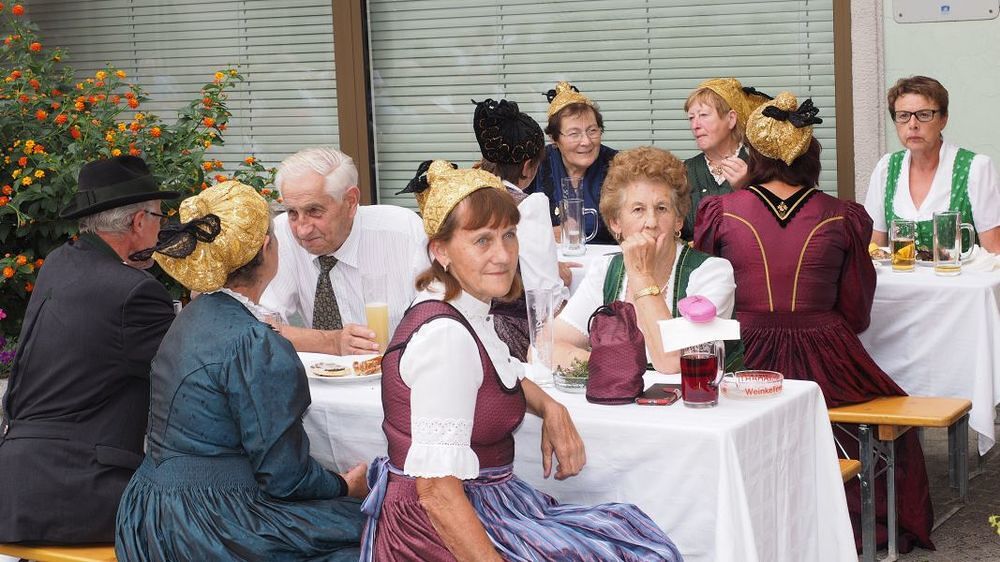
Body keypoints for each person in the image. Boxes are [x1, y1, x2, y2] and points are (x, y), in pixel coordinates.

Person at [361, 160, 683, 561]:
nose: (503, 255)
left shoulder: (463, 310)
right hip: (436, 531)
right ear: (440, 251)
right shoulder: (445, 336)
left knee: (627, 531)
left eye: (509, 235)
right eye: (482, 240)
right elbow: (437, 493)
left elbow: (505, 371)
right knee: (637, 551)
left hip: (485, 505)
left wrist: (551, 407)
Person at [695, 92, 934, 553]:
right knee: (884, 421)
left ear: (755, 156)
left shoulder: (721, 212)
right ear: (810, 155)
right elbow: (857, 311)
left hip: (744, 354)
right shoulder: (842, 215)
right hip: (826, 351)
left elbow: (706, 296)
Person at [115, 181, 368, 560]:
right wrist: (345, 486)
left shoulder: (192, 317)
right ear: (267, 247)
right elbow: (286, 478)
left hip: (150, 511)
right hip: (210, 523)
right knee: (376, 530)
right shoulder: (255, 342)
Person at [0, 156, 177, 544]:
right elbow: (191, 374)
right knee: (214, 517)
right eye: (159, 216)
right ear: (138, 222)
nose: (162, 227)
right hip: (80, 495)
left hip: (14, 487)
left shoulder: (60, 262)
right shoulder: (135, 292)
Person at [552, 146, 740, 374]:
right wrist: (612, 368)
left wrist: (642, 275)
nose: (651, 222)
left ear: (678, 220)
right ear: (616, 223)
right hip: (622, 397)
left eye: (662, 208)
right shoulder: (606, 270)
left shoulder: (711, 273)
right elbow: (547, 347)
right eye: (638, 209)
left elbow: (673, 363)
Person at [261, 147, 430, 355]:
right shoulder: (283, 235)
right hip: (320, 374)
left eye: (314, 211)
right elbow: (261, 327)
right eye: (292, 212)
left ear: (350, 201)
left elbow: (441, 320)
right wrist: (331, 342)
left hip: (401, 368)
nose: (302, 230)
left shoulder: (404, 232)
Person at [472, 97, 570, 359]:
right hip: (508, 341)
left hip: (462, 329)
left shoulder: (463, 197)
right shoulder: (527, 206)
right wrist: (564, 284)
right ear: (528, 167)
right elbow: (546, 298)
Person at [864, 75, 1000, 253]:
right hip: (897, 273)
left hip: (959, 272)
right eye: (903, 116)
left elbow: (995, 253)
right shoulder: (886, 168)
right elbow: (875, 250)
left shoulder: (976, 168)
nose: (913, 124)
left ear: (943, 119)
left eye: (924, 115)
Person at [681, 78, 771, 239]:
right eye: (691, 118)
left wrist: (747, 188)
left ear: (731, 119)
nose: (695, 125)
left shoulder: (761, 168)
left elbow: (771, 230)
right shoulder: (684, 171)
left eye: (703, 115)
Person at [529, 81, 617, 244]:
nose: (586, 141)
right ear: (554, 139)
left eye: (592, 131)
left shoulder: (619, 166)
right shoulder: (535, 166)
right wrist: (544, 233)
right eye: (574, 134)